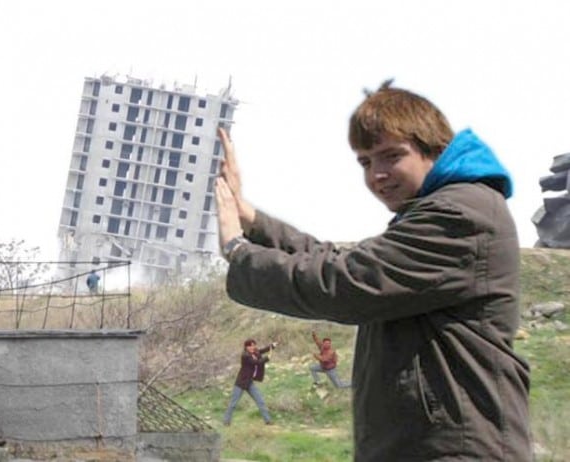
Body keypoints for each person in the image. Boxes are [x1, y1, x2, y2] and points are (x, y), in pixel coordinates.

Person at [214, 81, 531, 461]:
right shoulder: (441, 210)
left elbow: (347, 283)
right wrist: (250, 218)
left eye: (391, 156)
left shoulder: (459, 215)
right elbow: (342, 263)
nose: (377, 174)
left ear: (435, 149)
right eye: (365, 162)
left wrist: (238, 251)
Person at [223, 338, 277, 426]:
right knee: (233, 403)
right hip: (241, 383)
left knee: (260, 401)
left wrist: (272, 346)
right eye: (250, 346)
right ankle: (226, 421)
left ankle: (268, 421)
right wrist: (267, 358)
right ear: (246, 347)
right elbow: (256, 362)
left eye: (254, 345)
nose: (253, 347)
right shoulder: (245, 356)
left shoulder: (255, 352)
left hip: (249, 383)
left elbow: (262, 350)